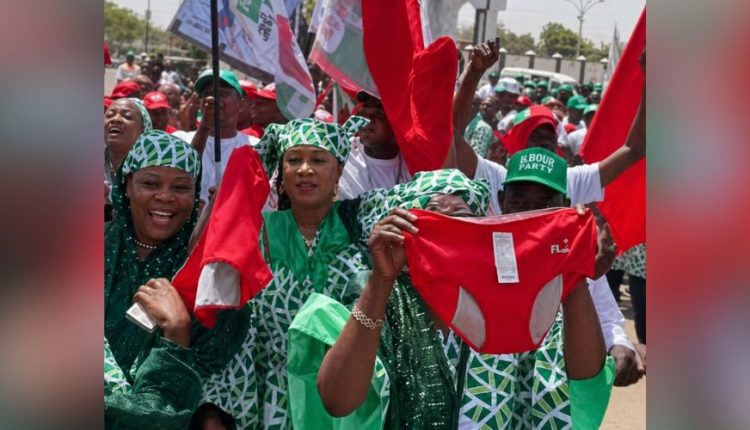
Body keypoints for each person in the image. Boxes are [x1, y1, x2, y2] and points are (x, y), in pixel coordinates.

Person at [312, 153, 614, 429]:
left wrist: (573, 272)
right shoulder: (380, 295)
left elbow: (583, 385)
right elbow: (338, 401)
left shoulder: (510, 295)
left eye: (462, 223)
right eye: (434, 220)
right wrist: (381, 281)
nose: (449, 232)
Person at [453, 40, 647, 387]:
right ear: (502, 196)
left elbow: (634, 149)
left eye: (546, 202)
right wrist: (473, 73)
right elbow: (450, 137)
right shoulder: (494, 179)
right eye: (533, 137)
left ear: (564, 200)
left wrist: (618, 343)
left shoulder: (568, 208)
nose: (532, 211)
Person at [104, 130, 203, 429]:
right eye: (150, 183)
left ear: (196, 193)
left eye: (181, 187)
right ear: (127, 185)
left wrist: (178, 330)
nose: (165, 196)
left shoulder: (203, 270)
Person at [173, 69, 259, 207]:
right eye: (207, 94)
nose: (212, 99)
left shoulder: (255, 148)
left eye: (222, 94)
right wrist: (204, 127)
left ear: (241, 105)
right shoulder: (179, 140)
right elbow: (179, 176)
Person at [337, 92, 412, 200]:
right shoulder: (341, 154)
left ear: (396, 121)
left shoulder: (414, 164)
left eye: (378, 114)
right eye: (363, 113)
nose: (368, 120)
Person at [105, 98, 153, 220]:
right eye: (109, 115)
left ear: (143, 129)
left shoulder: (154, 167)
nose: (115, 119)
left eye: (127, 116)